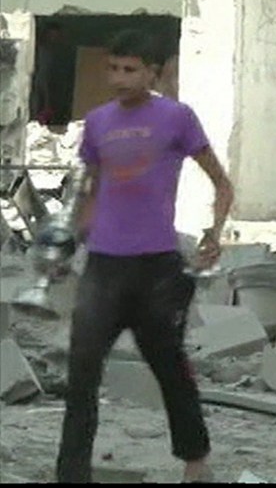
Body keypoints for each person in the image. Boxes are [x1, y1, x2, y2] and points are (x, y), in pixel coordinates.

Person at [56, 29, 234, 483]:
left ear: (152, 73)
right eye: (113, 68)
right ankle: (71, 475)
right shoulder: (97, 122)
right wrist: (70, 238)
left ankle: (195, 461)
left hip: (157, 269)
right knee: (81, 375)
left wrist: (214, 235)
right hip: (102, 269)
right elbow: (92, 189)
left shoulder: (177, 118)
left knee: (169, 366)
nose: (119, 78)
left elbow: (222, 183)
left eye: (130, 70)